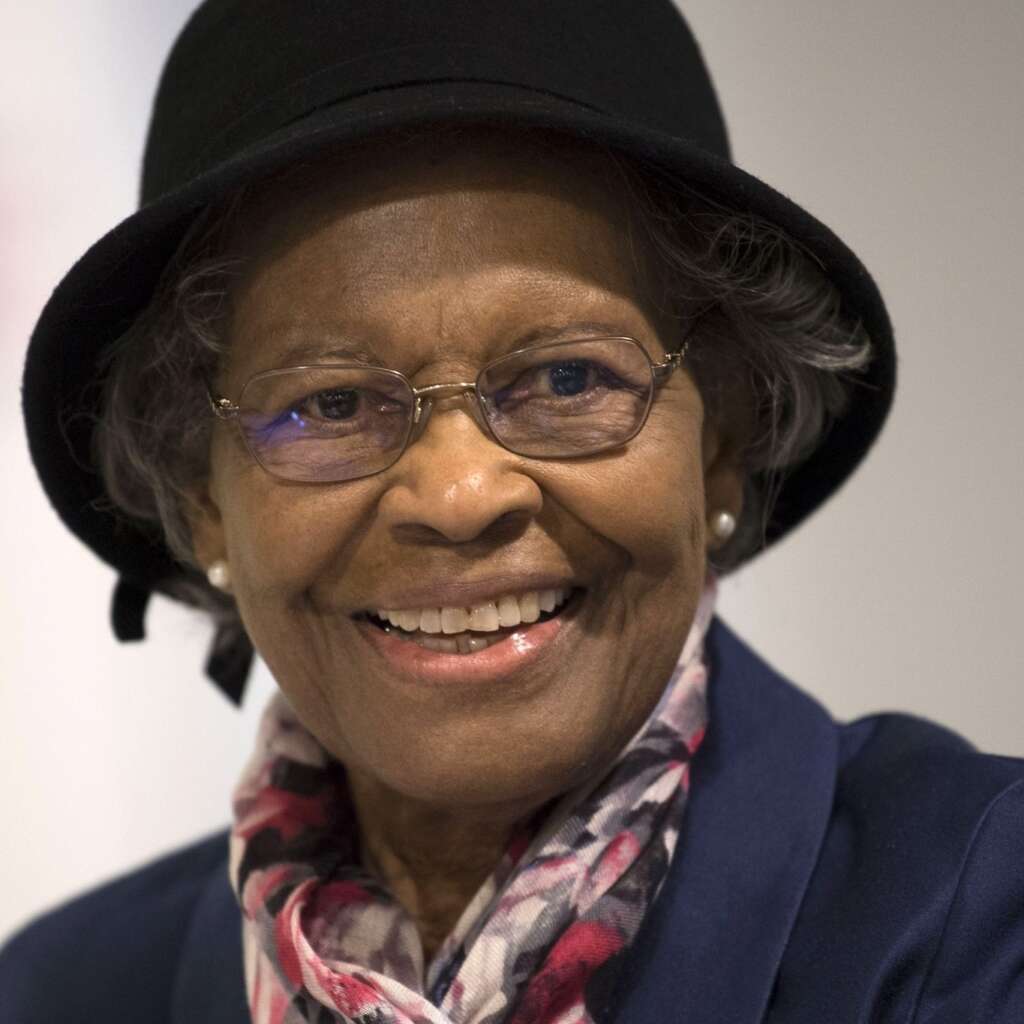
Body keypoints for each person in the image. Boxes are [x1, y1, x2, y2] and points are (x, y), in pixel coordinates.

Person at [2, 1, 1022, 1022]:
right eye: (333, 404)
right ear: (202, 499)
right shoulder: (60, 992)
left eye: (569, 378)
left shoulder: (976, 922)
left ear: (720, 444)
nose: (459, 496)